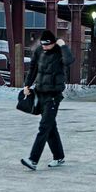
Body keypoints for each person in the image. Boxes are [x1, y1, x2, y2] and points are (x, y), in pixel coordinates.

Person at [20, 30, 74, 171]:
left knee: (44, 127)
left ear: (53, 42)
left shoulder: (59, 51)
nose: (44, 47)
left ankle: (33, 160)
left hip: (53, 96)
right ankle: (59, 156)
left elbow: (69, 61)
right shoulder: (39, 51)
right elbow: (33, 68)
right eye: (42, 44)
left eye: (47, 44)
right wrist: (27, 85)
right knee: (50, 128)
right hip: (40, 93)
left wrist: (63, 46)